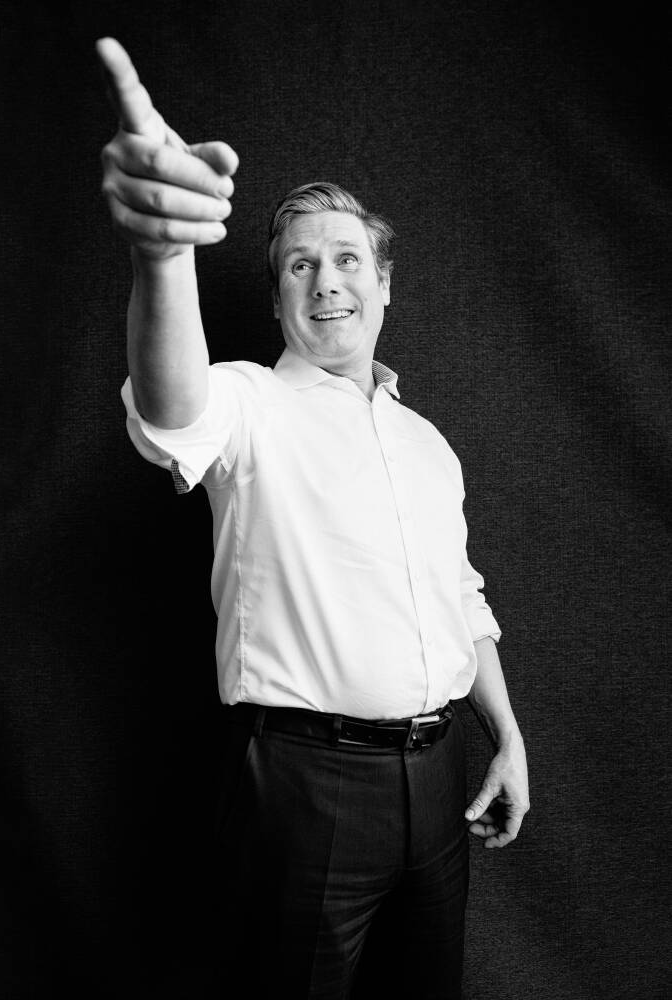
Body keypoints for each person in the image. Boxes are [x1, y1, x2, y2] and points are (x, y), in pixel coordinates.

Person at [96, 37, 530, 999]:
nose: (326, 281)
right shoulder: (247, 404)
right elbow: (171, 411)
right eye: (300, 266)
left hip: (440, 776)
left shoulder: (427, 442)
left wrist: (506, 734)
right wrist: (163, 255)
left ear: (384, 283)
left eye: (345, 260)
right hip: (305, 786)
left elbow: (462, 597)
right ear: (280, 297)